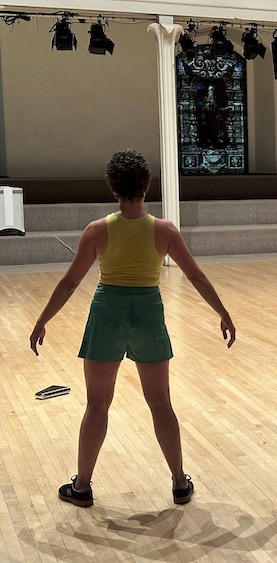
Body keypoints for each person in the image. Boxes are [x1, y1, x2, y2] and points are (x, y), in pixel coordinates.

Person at [29, 149, 236, 507]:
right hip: (148, 314)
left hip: (107, 313)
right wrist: (223, 312)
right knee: (160, 403)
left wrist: (42, 320)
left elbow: (68, 284)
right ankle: (179, 483)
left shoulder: (96, 231)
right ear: (147, 186)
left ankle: (81, 487)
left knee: (97, 405)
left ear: (113, 188)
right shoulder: (165, 230)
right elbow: (196, 276)